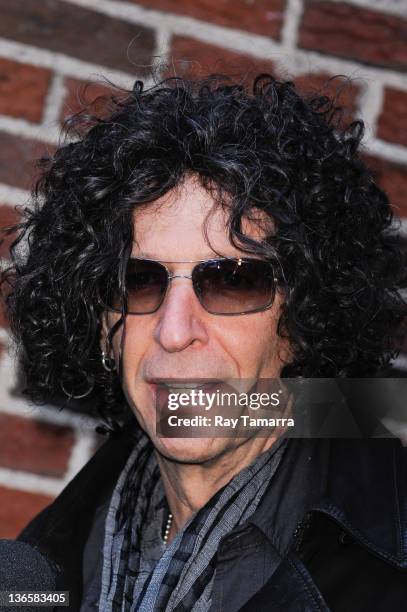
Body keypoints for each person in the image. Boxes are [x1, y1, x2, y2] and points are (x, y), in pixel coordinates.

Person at [1, 74, 407, 611]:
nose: (173, 330)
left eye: (233, 281)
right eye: (137, 280)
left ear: (304, 322)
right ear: (102, 324)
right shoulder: (45, 562)